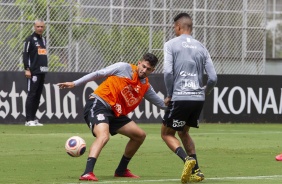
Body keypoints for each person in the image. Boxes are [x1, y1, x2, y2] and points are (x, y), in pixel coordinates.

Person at [57, 53, 166, 181]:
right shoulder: (123, 68)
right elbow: (98, 74)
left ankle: (121, 170)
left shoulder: (145, 86)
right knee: (103, 136)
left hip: (115, 112)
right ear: (139, 63)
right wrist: (75, 83)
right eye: (143, 66)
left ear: (153, 70)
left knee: (139, 135)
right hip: (99, 104)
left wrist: (180, 110)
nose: (144, 70)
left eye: (148, 69)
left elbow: (161, 104)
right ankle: (87, 173)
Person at [161, 13, 217, 183]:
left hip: (180, 96)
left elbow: (168, 72)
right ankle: (197, 171)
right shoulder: (202, 47)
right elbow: (213, 77)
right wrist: (204, 91)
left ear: (178, 27)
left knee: (166, 133)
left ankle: (188, 160)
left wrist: (170, 94)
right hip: (198, 98)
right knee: (183, 132)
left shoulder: (171, 45)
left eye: (174, 27)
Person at [23, 19, 48, 126]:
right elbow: (25, 54)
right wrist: (27, 68)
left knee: (38, 95)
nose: (40, 28)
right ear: (34, 27)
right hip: (33, 72)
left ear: (44, 27)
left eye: (42, 27)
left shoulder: (44, 40)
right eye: (38, 26)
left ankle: (33, 118)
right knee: (31, 94)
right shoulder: (30, 39)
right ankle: (28, 120)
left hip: (42, 71)